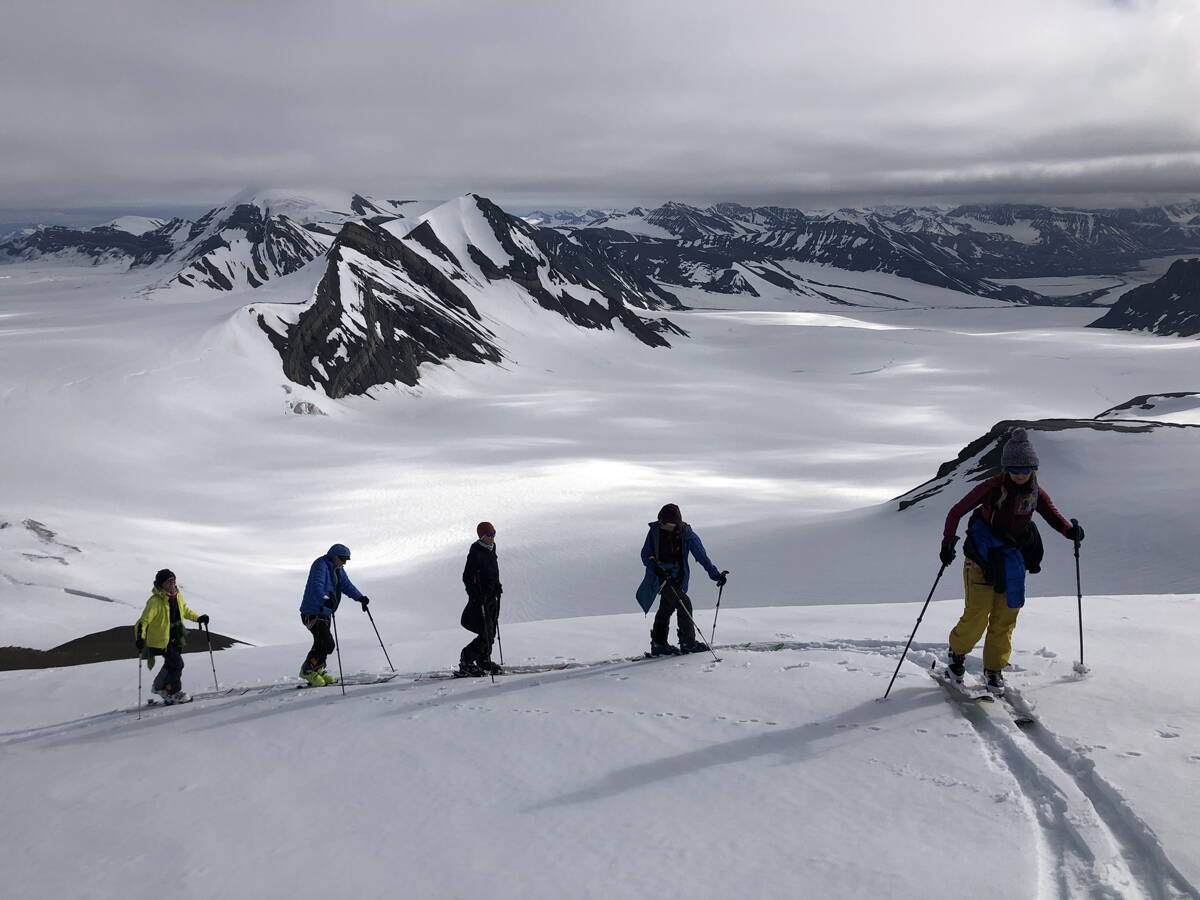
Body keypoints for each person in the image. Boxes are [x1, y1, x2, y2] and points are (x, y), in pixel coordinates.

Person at [939, 428, 1084, 692]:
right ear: (1006, 468)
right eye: (1015, 469)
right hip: (980, 558)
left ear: (1034, 469)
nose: (1020, 474)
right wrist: (948, 542)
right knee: (976, 616)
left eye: (1026, 469)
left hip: (1012, 561)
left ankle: (994, 670)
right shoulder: (991, 487)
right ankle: (956, 655)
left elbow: (1052, 516)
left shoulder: (1036, 493)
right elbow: (956, 512)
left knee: (1005, 620)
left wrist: (1069, 531)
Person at [636, 503, 728, 655]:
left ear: (675, 523)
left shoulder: (687, 534)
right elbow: (646, 554)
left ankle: (659, 644)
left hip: (679, 578)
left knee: (666, 608)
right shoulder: (655, 531)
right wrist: (656, 567)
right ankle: (688, 643)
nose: (661, 524)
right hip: (661, 578)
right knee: (684, 602)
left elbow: (701, 555)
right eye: (660, 521)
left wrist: (716, 575)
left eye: (665, 523)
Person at [299, 543, 370, 686]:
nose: (344, 562)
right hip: (313, 612)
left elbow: (346, 586)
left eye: (346, 560)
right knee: (327, 644)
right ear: (334, 556)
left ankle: (316, 669)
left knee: (322, 644)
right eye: (342, 559)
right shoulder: (321, 565)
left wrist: (360, 598)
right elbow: (316, 586)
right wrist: (325, 600)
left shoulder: (338, 569)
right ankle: (308, 670)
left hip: (325, 612)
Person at [133, 569, 209, 704]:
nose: (173, 583)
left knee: (172, 664)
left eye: (173, 580)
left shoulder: (177, 595)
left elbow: (184, 610)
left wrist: (198, 618)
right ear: (161, 584)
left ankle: (159, 687)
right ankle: (174, 692)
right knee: (178, 664)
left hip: (176, 636)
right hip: (162, 640)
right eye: (169, 581)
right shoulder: (155, 601)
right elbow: (143, 621)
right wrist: (140, 637)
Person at [459, 521, 502, 676]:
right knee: (485, 632)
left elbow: (492, 571)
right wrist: (476, 596)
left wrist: (497, 586)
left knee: (492, 631)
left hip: (492, 597)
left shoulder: (492, 548)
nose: (492, 537)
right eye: (489, 535)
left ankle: (483, 658)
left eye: (494, 533)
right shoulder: (476, 552)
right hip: (480, 600)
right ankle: (466, 660)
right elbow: (467, 577)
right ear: (482, 536)